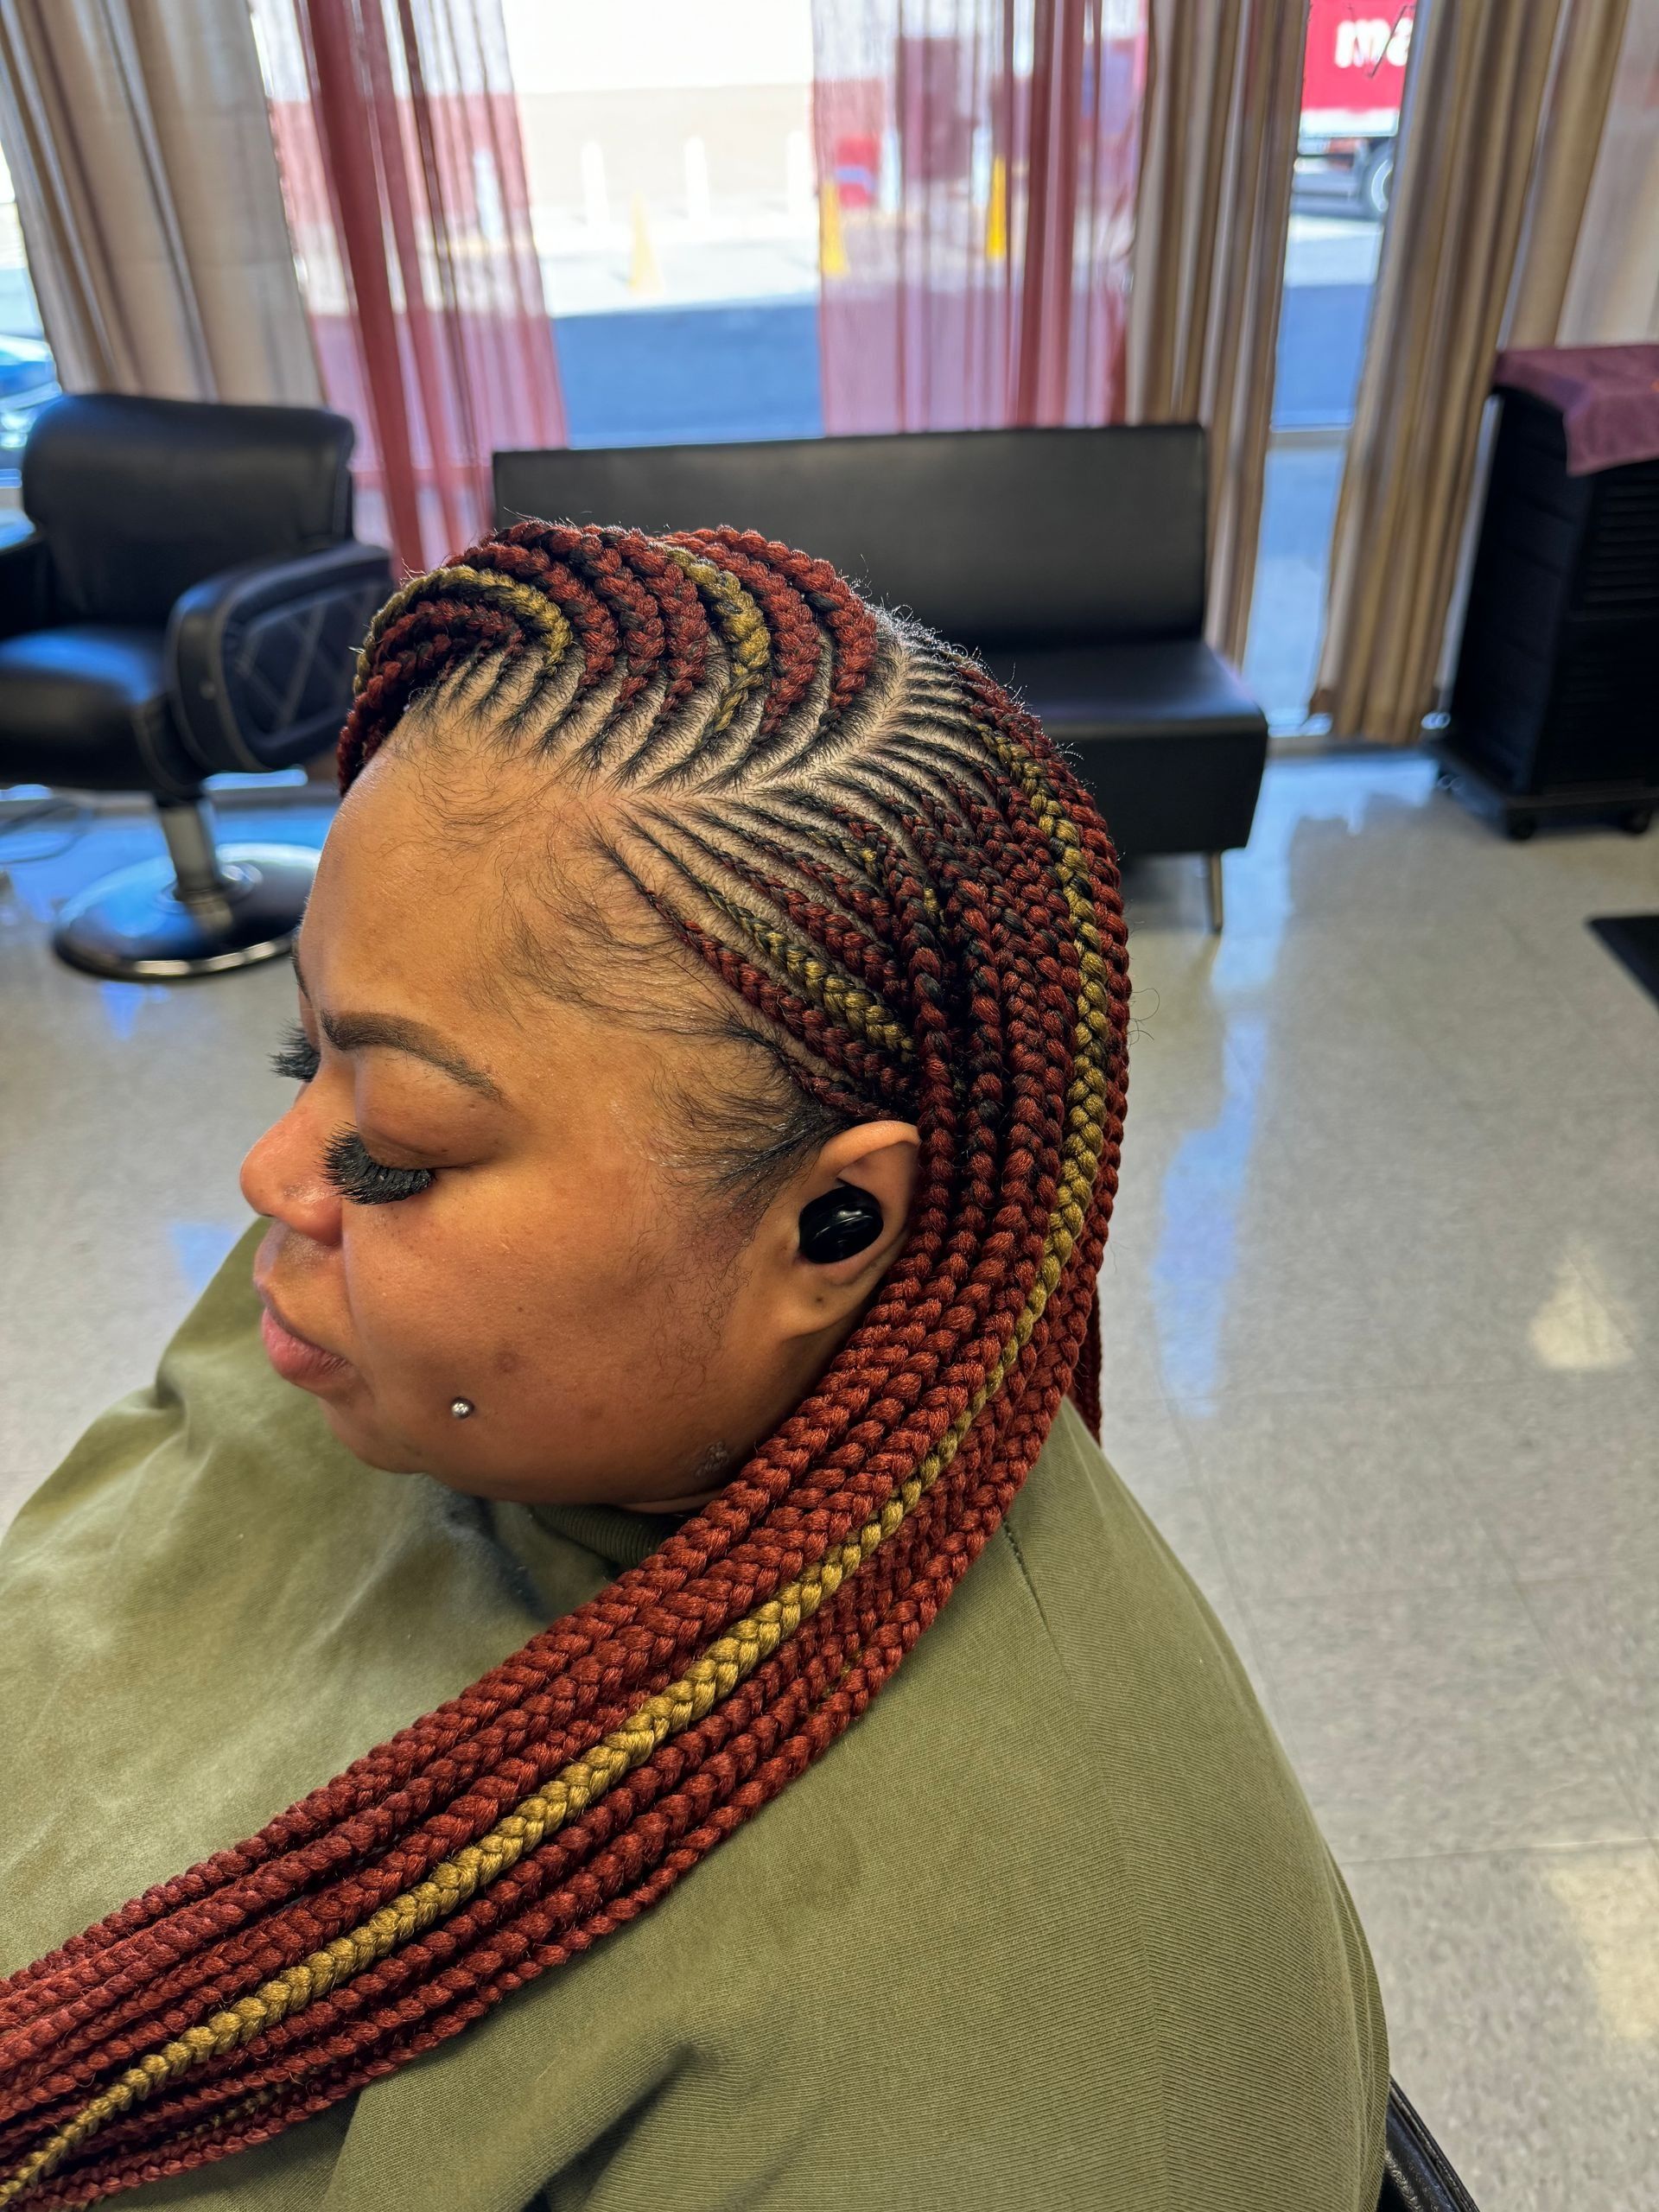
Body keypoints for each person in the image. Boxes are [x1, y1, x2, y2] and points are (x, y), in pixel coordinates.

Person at [0, 524, 1388, 2210]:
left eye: (400, 1141)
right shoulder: (373, 1300)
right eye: (311, 1051)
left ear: (831, 1221)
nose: (279, 1175)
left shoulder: (1003, 2059)